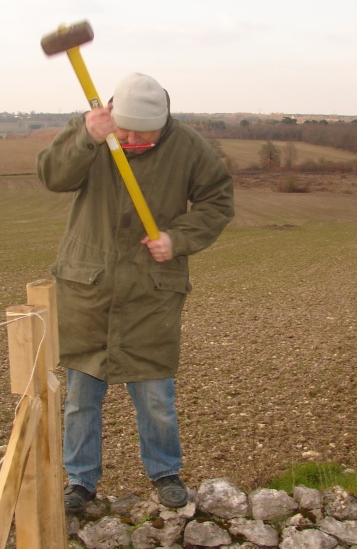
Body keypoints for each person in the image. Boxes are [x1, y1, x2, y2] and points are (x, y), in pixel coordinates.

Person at [36, 72, 234, 514]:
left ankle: (165, 472)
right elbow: (52, 175)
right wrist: (86, 138)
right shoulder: (93, 129)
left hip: (151, 292)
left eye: (142, 134)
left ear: (163, 123)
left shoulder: (186, 146)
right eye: (123, 130)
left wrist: (176, 239)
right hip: (89, 290)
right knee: (81, 399)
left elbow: (217, 201)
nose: (130, 139)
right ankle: (80, 482)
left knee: (156, 397)